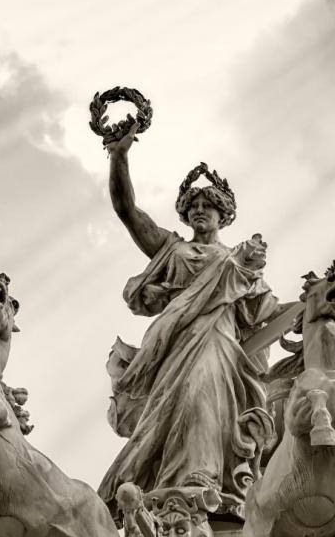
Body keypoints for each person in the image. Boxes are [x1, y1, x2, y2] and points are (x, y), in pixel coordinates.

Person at [99, 124, 281, 508]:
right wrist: (119, 157)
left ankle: (204, 475)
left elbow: (265, 312)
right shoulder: (172, 249)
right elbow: (127, 211)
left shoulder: (238, 261)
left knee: (202, 394)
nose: (199, 210)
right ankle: (173, 481)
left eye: (207, 206)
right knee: (170, 410)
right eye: (193, 206)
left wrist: (316, 307)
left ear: (223, 215)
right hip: (173, 343)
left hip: (219, 341)